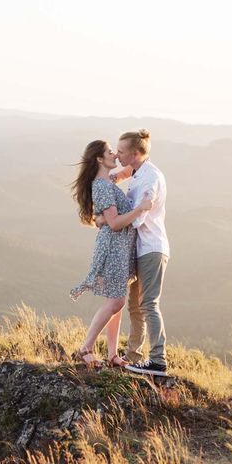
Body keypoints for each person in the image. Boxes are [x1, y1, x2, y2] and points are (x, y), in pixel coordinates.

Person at [69, 140, 152, 368]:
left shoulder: (107, 182)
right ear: (99, 158)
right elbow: (115, 223)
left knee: (117, 301)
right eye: (109, 152)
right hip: (114, 248)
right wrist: (140, 209)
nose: (114, 155)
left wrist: (141, 154)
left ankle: (113, 355)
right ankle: (86, 347)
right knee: (116, 302)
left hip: (120, 248)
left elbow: (128, 171)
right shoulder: (103, 186)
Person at [97, 129, 170, 377]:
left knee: (149, 304)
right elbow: (132, 171)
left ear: (136, 153)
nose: (117, 154)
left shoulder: (150, 178)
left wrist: (108, 220)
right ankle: (133, 358)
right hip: (140, 250)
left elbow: (139, 216)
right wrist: (118, 175)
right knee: (135, 308)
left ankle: (158, 360)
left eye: (122, 151)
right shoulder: (139, 170)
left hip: (151, 248)